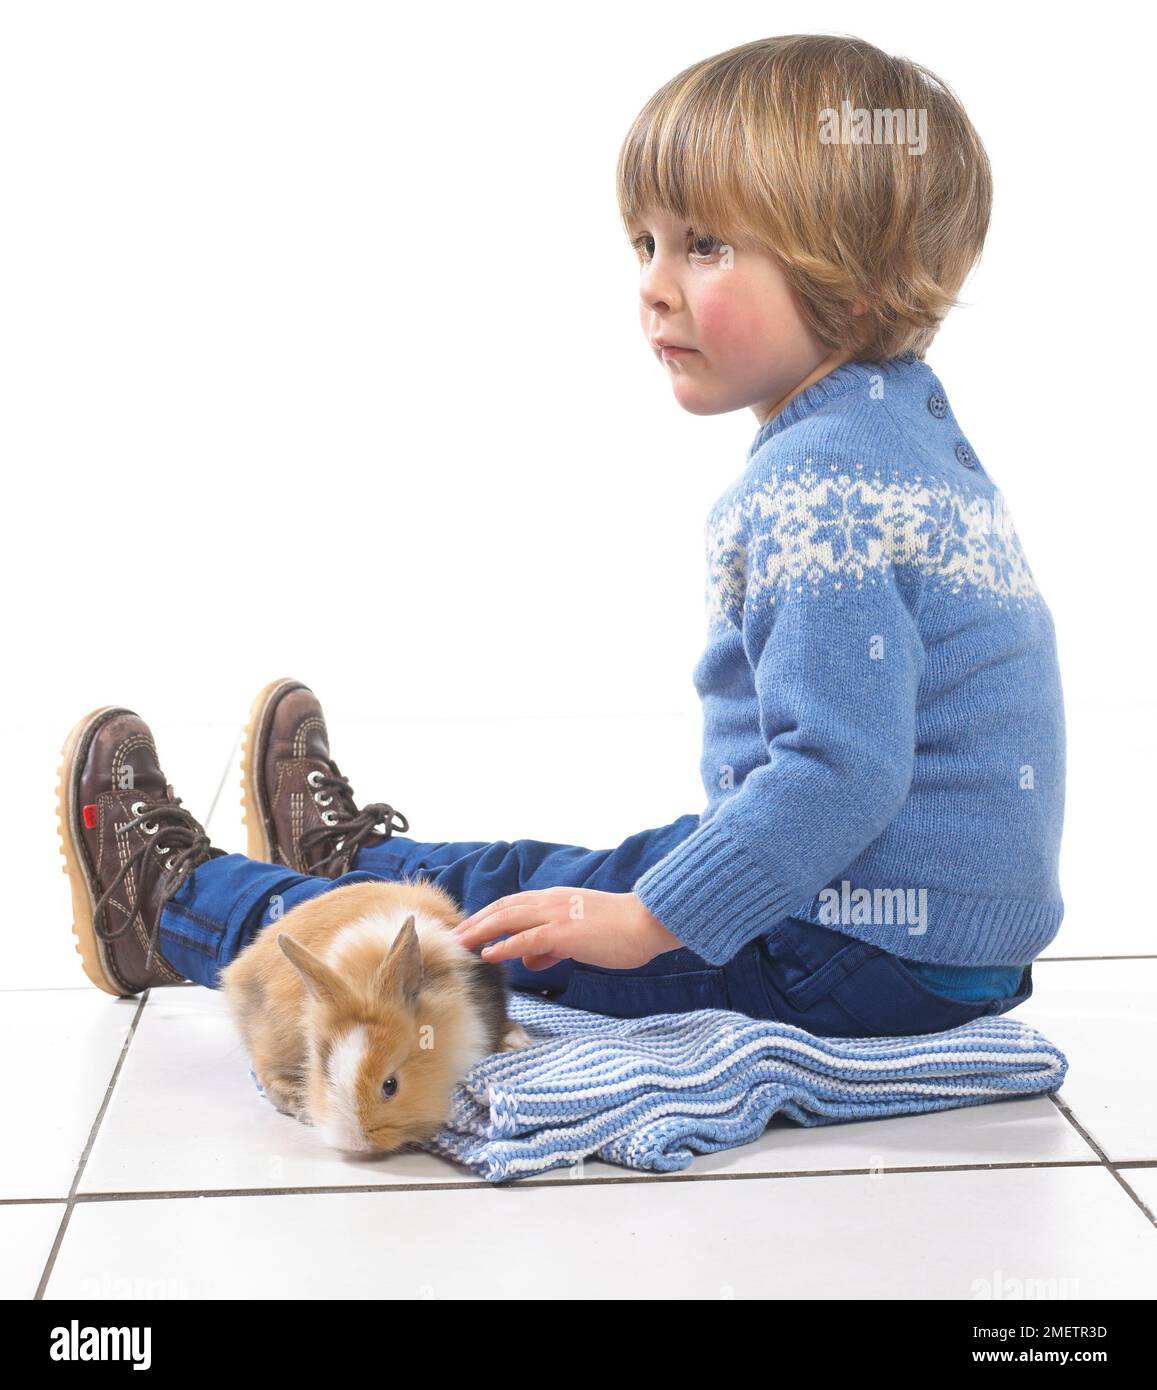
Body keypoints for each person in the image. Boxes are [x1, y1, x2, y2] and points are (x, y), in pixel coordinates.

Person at [57, 34, 1063, 1039]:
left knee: (481, 949)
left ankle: (173, 908)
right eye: (645, 243)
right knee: (548, 881)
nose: (654, 285)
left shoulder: (818, 482)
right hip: (936, 943)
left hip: (853, 956)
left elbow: (839, 773)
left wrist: (646, 922)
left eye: (703, 246)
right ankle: (346, 865)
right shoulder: (909, 433)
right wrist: (641, 900)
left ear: (853, 284)